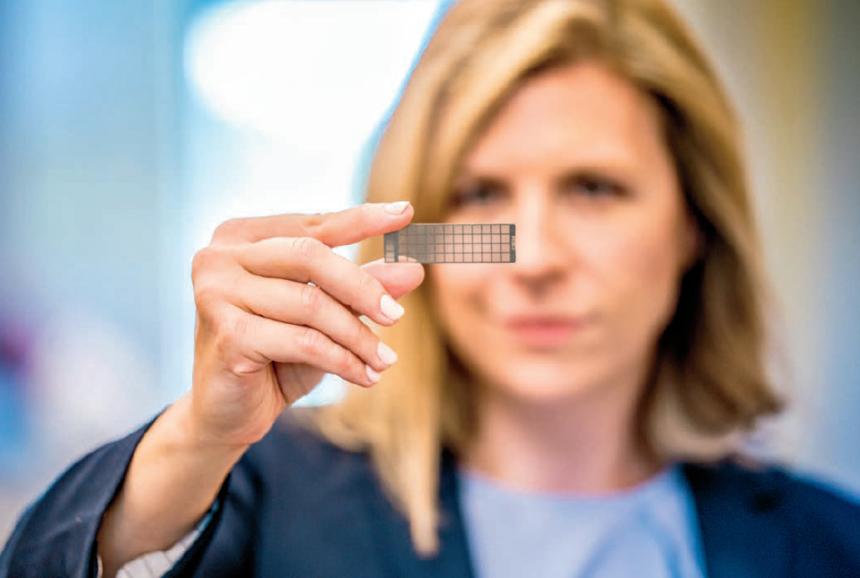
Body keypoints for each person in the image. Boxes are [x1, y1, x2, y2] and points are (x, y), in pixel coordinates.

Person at [3, 0, 860, 576]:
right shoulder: (260, 495)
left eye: (595, 189)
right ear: (419, 238)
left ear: (691, 230)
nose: (531, 259)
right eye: (480, 196)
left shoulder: (826, 541)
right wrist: (195, 436)